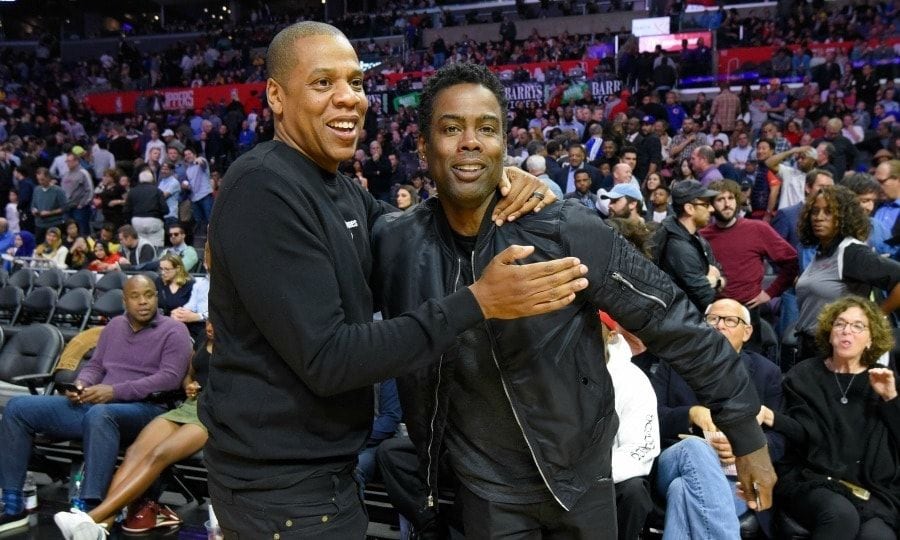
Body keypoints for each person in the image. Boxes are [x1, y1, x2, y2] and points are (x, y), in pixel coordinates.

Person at [202, 23, 583, 539]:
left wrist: (495, 180)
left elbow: (409, 241)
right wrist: (478, 301)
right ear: (276, 96)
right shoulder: (264, 188)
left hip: (319, 478)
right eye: (322, 83)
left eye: (356, 83)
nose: (347, 98)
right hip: (280, 493)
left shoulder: (338, 188)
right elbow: (330, 359)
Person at [371, 61, 775, 539]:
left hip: (579, 480)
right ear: (422, 144)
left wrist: (746, 434)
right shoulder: (395, 243)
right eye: (451, 128)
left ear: (504, 142)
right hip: (483, 489)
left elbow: (673, 320)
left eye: (487, 128)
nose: (471, 141)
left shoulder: (563, 228)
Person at [0, 275, 192, 533]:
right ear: (125, 300)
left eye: (149, 295)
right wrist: (81, 384)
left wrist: (113, 392)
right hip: (101, 408)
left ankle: (90, 510)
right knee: (18, 408)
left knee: (101, 415)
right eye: (135, 296)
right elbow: (96, 366)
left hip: (148, 412)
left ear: (157, 297)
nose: (143, 302)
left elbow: (169, 379)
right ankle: (13, 504)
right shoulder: (114, 327)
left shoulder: (174, 330)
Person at [55, 321, 214, 539]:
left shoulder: (238, 347)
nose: (210, 326)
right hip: (188, 407)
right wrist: (190, 385)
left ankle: (92, 518)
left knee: (159, 453)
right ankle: (102, 527)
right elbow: (189, 375)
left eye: (217, 321)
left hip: (215, 412)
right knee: (135, 453)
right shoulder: (204, 339)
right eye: (209, 321)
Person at [759, 296, 899, 539]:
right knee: (840, 514)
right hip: (812, 477)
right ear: (829, 332)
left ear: (871, 339)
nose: (847, 331)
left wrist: (891, 399)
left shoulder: (884, 380)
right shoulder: (804, 374)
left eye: (858, 326)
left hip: (869, 487)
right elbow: (802, 433)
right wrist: (774, 418)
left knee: (878, 536)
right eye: (840, 324)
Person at [653, 298, 784, 539]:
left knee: (682, 491)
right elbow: (650, 420)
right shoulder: (672, 364)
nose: (719, 326)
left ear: (747, 332)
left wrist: (744, 450)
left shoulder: (767, 373)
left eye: (730, 320)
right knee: (695, 447)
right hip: (674, 460)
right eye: (713, 319)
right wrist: (690, 414)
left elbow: (779, 440)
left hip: (734, 476)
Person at [794, 186, 900, 360]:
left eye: (828, 212)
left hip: (836, 350)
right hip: (809, 346)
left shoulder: (851, 252)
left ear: (844, 217)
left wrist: (876, 317)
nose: (819, 218)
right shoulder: (822, 250)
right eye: (815, 211)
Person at [652, 180, 724, 312]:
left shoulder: (695, 238)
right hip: (683, 321)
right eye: (706, 204)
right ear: (689, 208)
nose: (712, 209)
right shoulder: (678, 247)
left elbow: (719, 271)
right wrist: (713, 279)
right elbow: (705, 296)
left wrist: (714, 280)